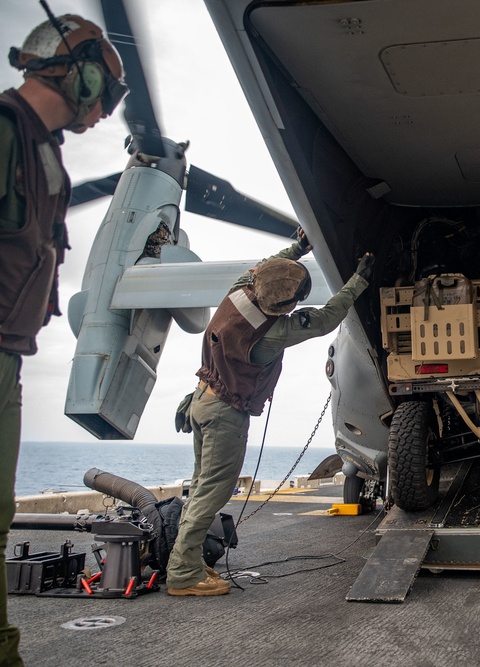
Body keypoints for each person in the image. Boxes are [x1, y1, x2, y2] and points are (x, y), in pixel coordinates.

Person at [0, 14, 126, 666]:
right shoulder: (5, 132)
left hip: (9, 352)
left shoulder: (41, 151)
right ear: (78, 73)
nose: (105, 108)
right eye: (104, 88)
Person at [165, 231, 374, 596]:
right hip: (224, 413)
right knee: (211, 494)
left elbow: (267, 265)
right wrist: (360, 279)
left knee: (200, 487)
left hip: (201, 400)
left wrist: (299, 246)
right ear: (285, 305)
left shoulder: (240, 290)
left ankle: (189, 561)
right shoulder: (271, 332)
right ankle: (183, 574)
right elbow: (325, 319)